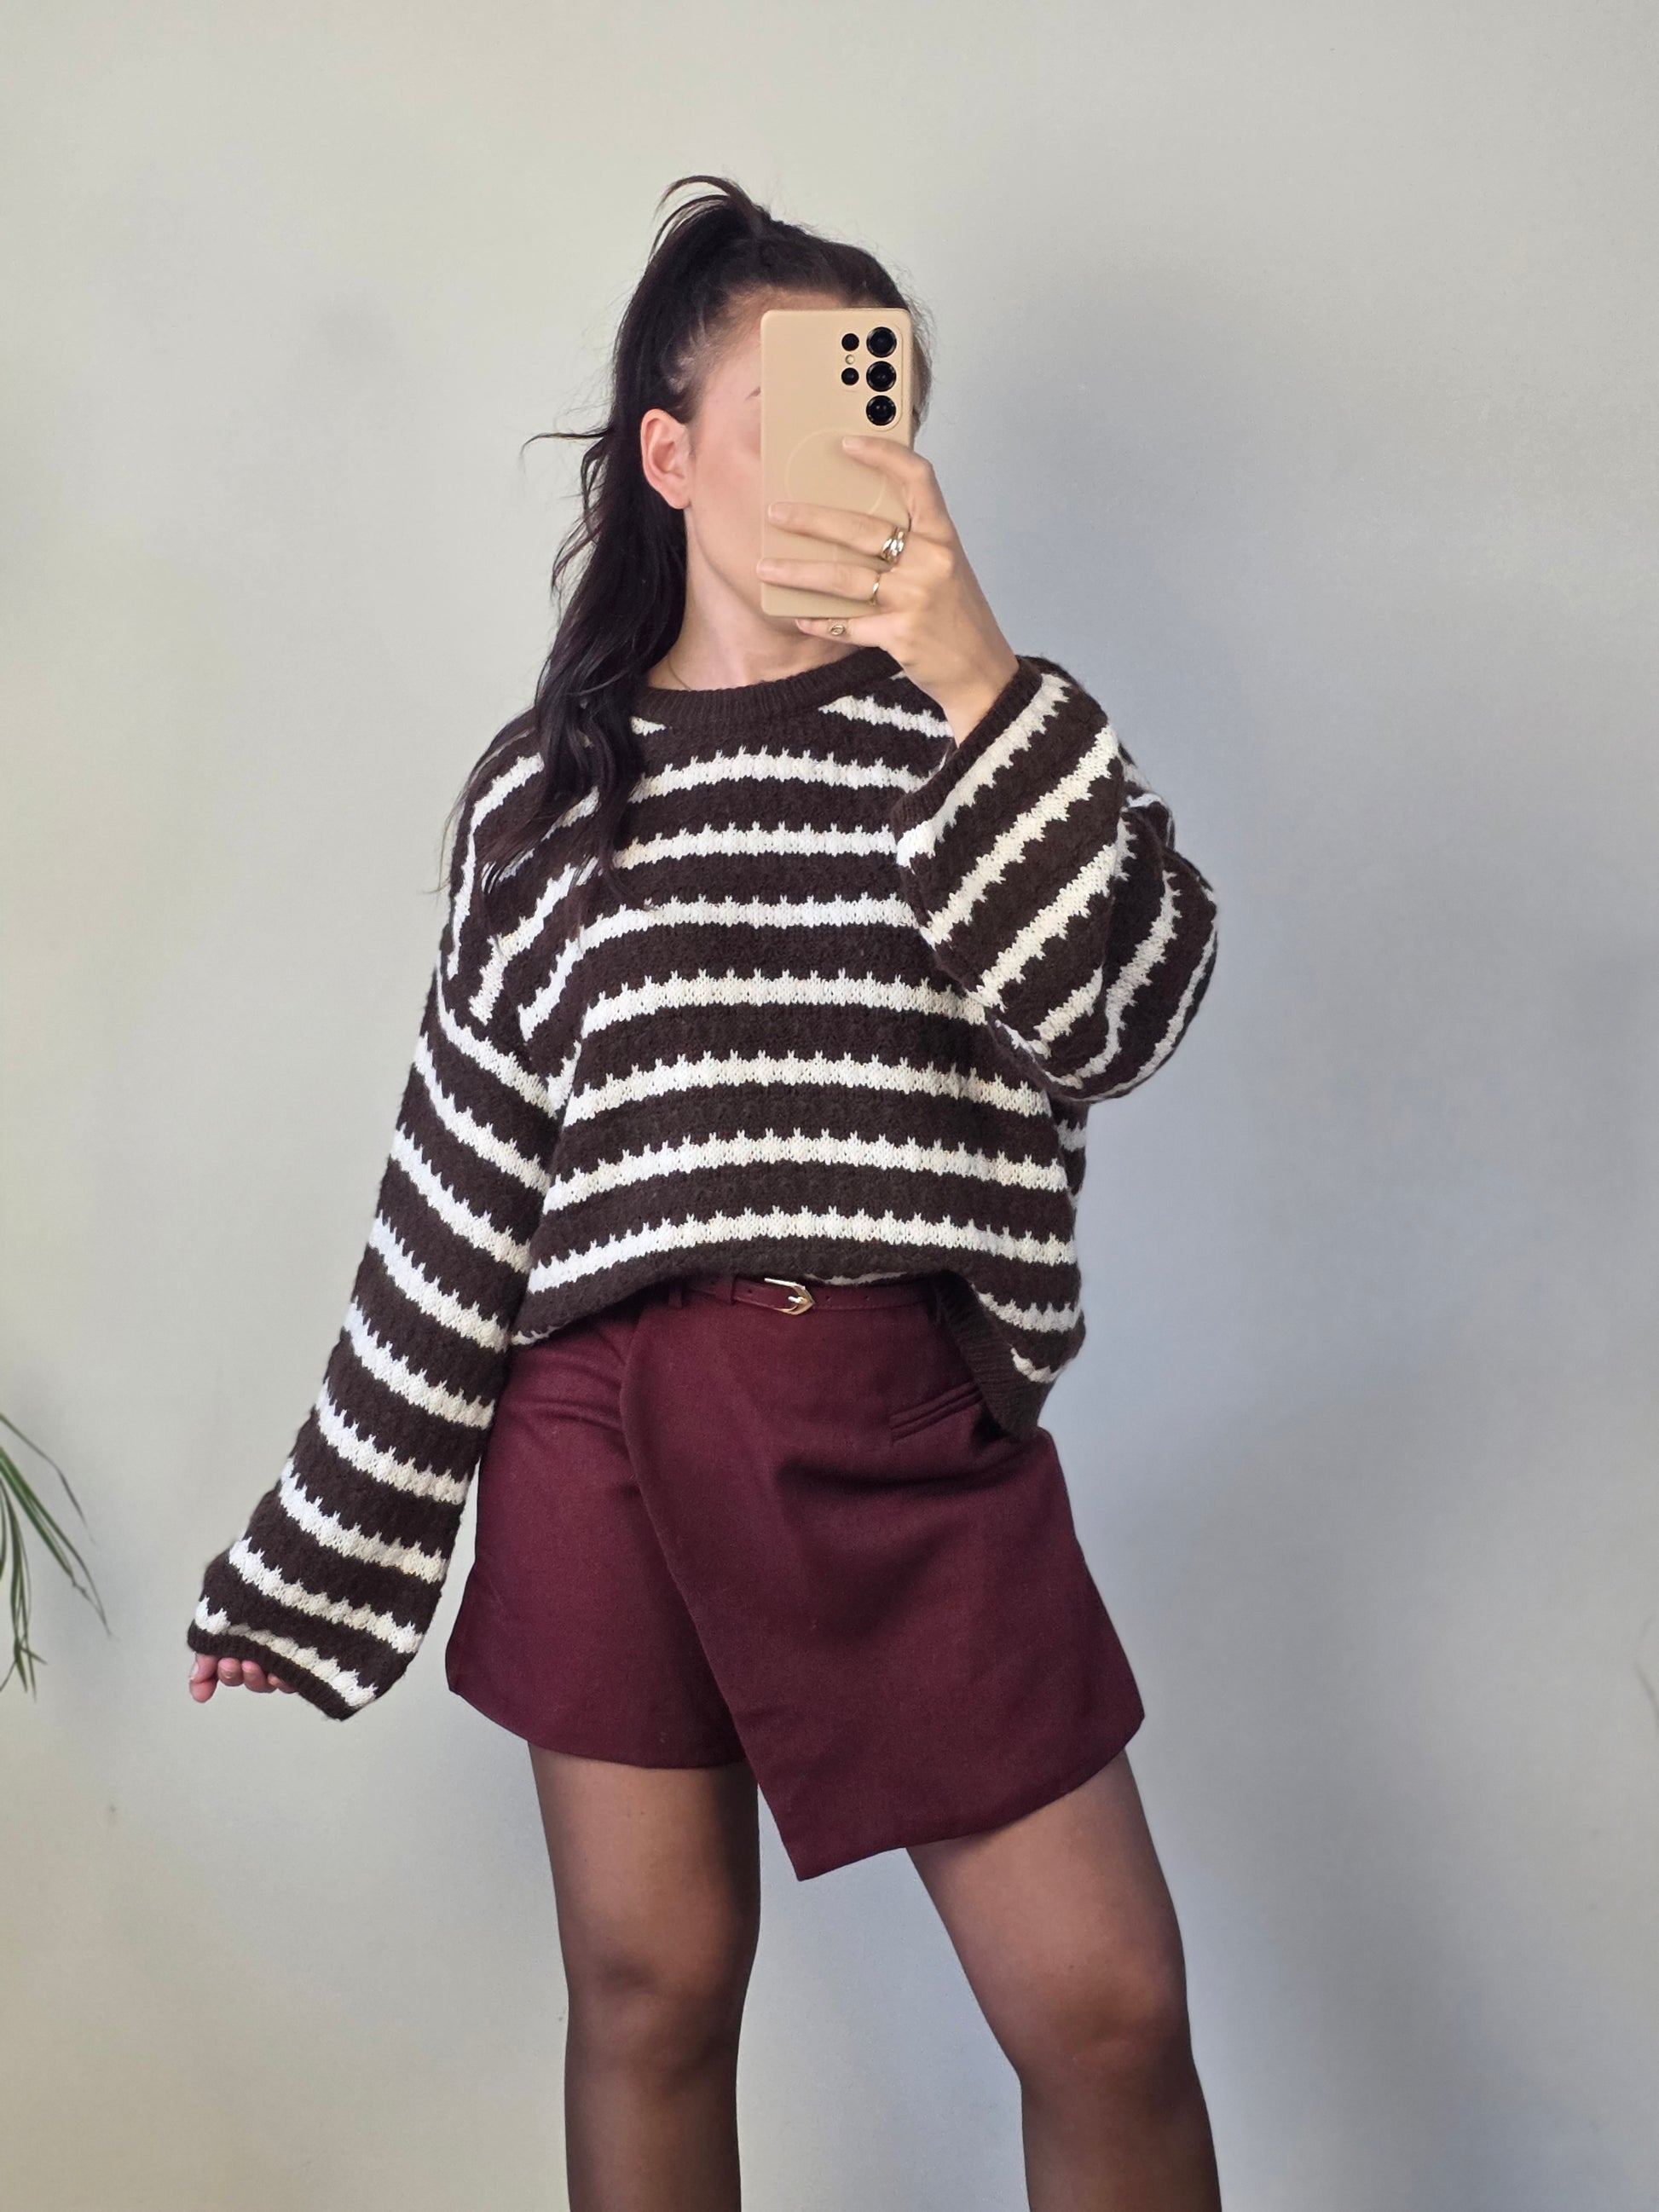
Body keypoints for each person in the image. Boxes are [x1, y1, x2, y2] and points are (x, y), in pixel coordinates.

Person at [186, 173, 1224, 2211]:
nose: (866, 453)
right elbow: (457, 1192)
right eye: (804, 407)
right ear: (669, 458)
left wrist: (979, 678)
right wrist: (319, 1550)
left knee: (1106, 2009)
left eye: (884, 405)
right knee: (650, 1997)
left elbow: (1117, 1010)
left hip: (890, 1419)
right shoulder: (549, 788)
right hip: (598, 1432)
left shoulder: (979, 733)